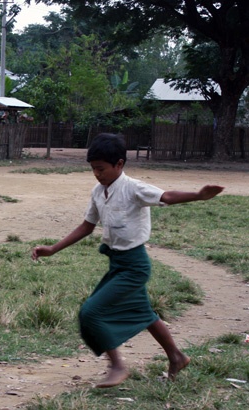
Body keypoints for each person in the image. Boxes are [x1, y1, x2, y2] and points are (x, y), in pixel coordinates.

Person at [31, 133, 224, 388]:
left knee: (91, 312)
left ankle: (118, 365)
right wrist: (53, 249)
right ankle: (177, 357)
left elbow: (166, 196)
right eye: (93, 169)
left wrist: (198, 195)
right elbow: (87, 226)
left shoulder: (134, 188)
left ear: (119, 164)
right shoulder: (98, 192)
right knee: (144, 313)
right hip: (117, 263)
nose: (96, 174)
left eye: (101, 168)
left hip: (134, 265)